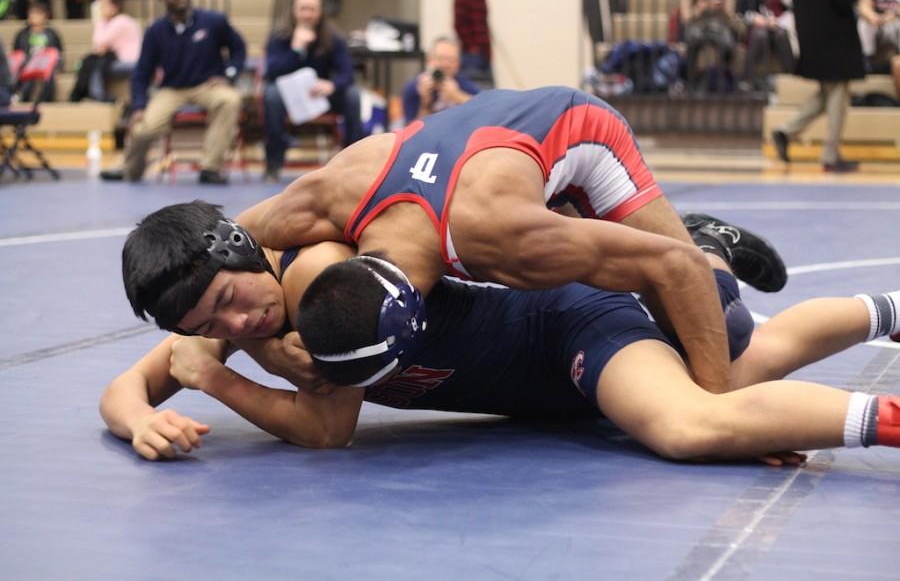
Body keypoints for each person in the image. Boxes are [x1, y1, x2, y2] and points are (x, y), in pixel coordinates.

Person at [102, 201, 900, 464]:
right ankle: (888, 307)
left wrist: (216, 376)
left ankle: (702, 257)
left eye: (233, 303)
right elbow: (126, 386)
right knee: (758, 357)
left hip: (571, 321)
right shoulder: (226, 305)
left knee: (689, 424)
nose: (238, 323)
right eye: (210, 326)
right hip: (549, 392)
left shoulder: (317, 272)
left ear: (244, 250)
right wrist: (140, 414)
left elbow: (325, 428)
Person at [235, 86, 788, 396]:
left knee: (723, 328)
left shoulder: (506, 242)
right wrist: (262, 346)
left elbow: (676, 268)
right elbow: (233, 250)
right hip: (489, 152)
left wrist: (717, 405)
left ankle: (711, 238)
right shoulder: (327, 196)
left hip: (578, 133)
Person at [99, 0, 245, 184]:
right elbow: (142, 71)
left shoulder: (214, 21)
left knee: (230, 100)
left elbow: (239, 49)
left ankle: (210, 168)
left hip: (208, 86)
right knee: (144, 127)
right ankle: (130, 170)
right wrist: (139, 105)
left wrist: (229, 75)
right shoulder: (155, 31)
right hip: (172, 89)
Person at [262, 0, 363, 183]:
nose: (307, 14)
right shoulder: (279, 35)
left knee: (352, 95)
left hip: (320, 95)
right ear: (294, 10)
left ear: (320, 11)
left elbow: (347, 73)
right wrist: (296, 49)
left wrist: (332, 85)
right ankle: (273, 163)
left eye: (312, 9)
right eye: (303, 9)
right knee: (271, 94)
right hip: (289, 97)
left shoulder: (333, 37)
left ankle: (353, 161)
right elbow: (271, 72)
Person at [771, 0, 866, 173]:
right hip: (833, 38)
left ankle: (786, 131)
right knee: (838, 92)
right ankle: (830, 156)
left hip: (811, 34)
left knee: (827, 94)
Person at [69, 0, 140, 102]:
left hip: (130, 63)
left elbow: (99, 41)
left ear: (115, 6)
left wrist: (100, 21)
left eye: (104, 5)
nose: (101, 9)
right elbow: (97, 46)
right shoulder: (112, 22)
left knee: (97, 63)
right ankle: (96, 93)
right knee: (97, 61)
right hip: (121, 62)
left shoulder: (122, 21)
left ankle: (97, 94)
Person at [401, 36, 479, 124]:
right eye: (440, 58)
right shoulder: (414, 88)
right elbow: (411, 133)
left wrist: (458, 96)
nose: (445, 64)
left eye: (451, 60)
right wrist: (426, 102)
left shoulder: (467, 87)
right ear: (429, 60)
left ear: (458, 64)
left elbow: (483, 114)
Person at [13, 1, 63, 101]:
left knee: (49, 78)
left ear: (45, 16)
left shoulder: (52, 34)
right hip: (27, 65)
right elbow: (17, 54)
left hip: (46, 65)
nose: (33, 16)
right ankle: (23, 100)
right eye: (31, 13)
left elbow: (58, 53)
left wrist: (58, 67)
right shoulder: (22, 34)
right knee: (27, 79)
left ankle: (46, 103)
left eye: (37, 13)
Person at [453, 0, 493, 86]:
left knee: (489, 89)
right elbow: (459, 25)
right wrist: (472, 46)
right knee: (472, 89)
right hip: (470, 54)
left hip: (485, 52)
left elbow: (484, 24)